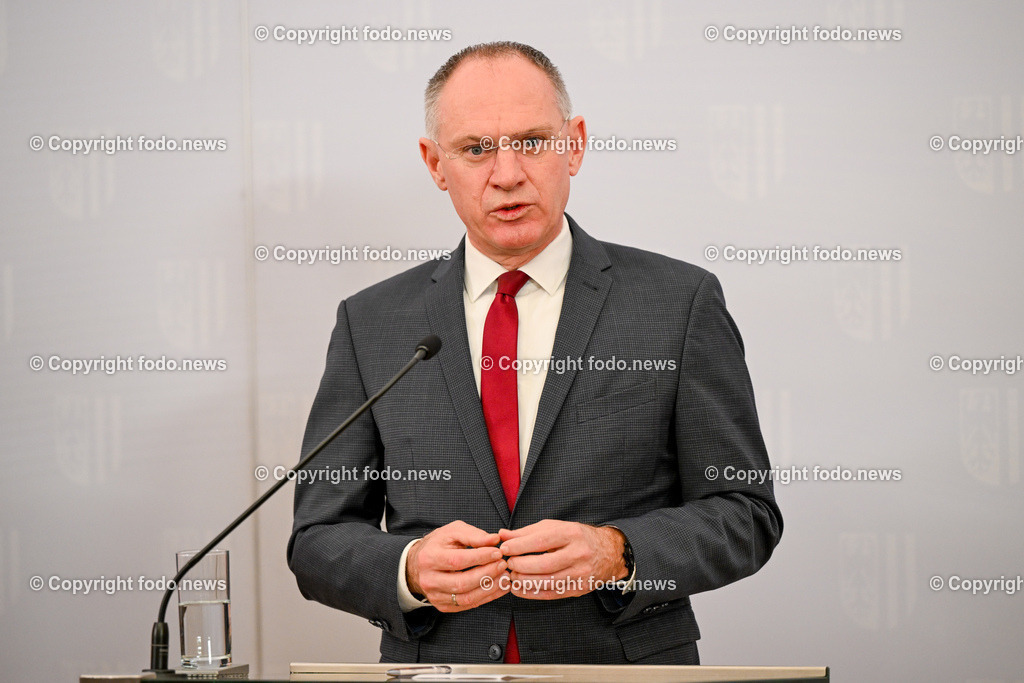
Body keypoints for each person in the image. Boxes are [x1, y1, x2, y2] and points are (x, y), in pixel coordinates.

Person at [288, 41, 782, 665]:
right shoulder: (373, 322)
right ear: (435, 164)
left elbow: (746, 513)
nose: (507, 174)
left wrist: (617, 552)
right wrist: (408, 570)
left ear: (574, 144)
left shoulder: (678, 304)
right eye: (475, 149)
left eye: (530, 142)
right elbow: (317, 539)